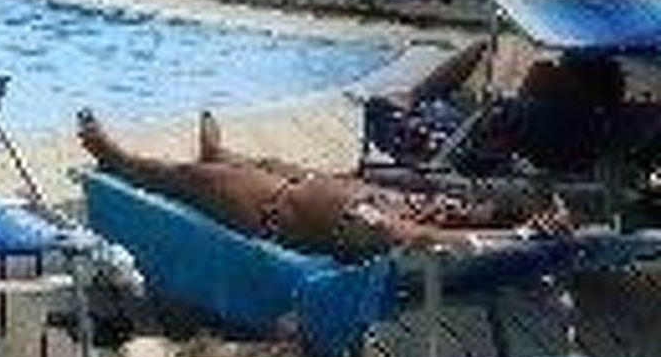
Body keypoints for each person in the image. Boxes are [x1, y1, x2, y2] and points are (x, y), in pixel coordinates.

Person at [77, 108, 567, 260]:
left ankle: (118, 159)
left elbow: (430, 241)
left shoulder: (398, 230)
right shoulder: (438, 210)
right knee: (270, 162)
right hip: (301, 187)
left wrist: (519, 236)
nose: (464, 206)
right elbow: (472, 217)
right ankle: (223, 154)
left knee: (191, 179)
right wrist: (530, 217)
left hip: (274, 210)